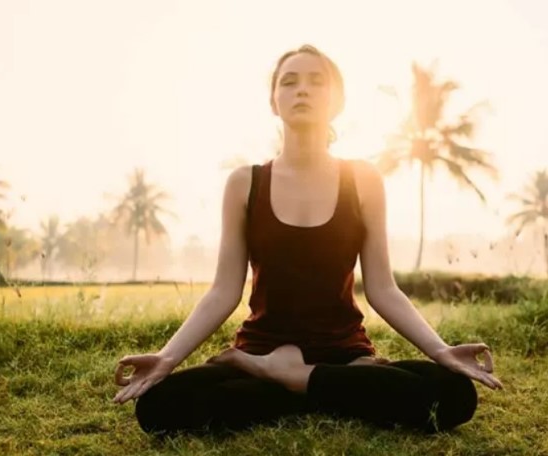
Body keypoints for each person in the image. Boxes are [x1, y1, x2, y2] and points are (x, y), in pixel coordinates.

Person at [112, 44, 503, 435]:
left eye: (317, 82)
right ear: (273, 101)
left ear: (337, 101)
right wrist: (167, 358)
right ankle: (316, 384)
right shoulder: (244, 184)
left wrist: (440, 351)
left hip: (344, 353)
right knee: (158, 406)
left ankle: (281, 378)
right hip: (264, 346)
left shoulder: (362, 180)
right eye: (290, 81)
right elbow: (223, 291)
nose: (302, 90)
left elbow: (383, 289)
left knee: (455, 394)